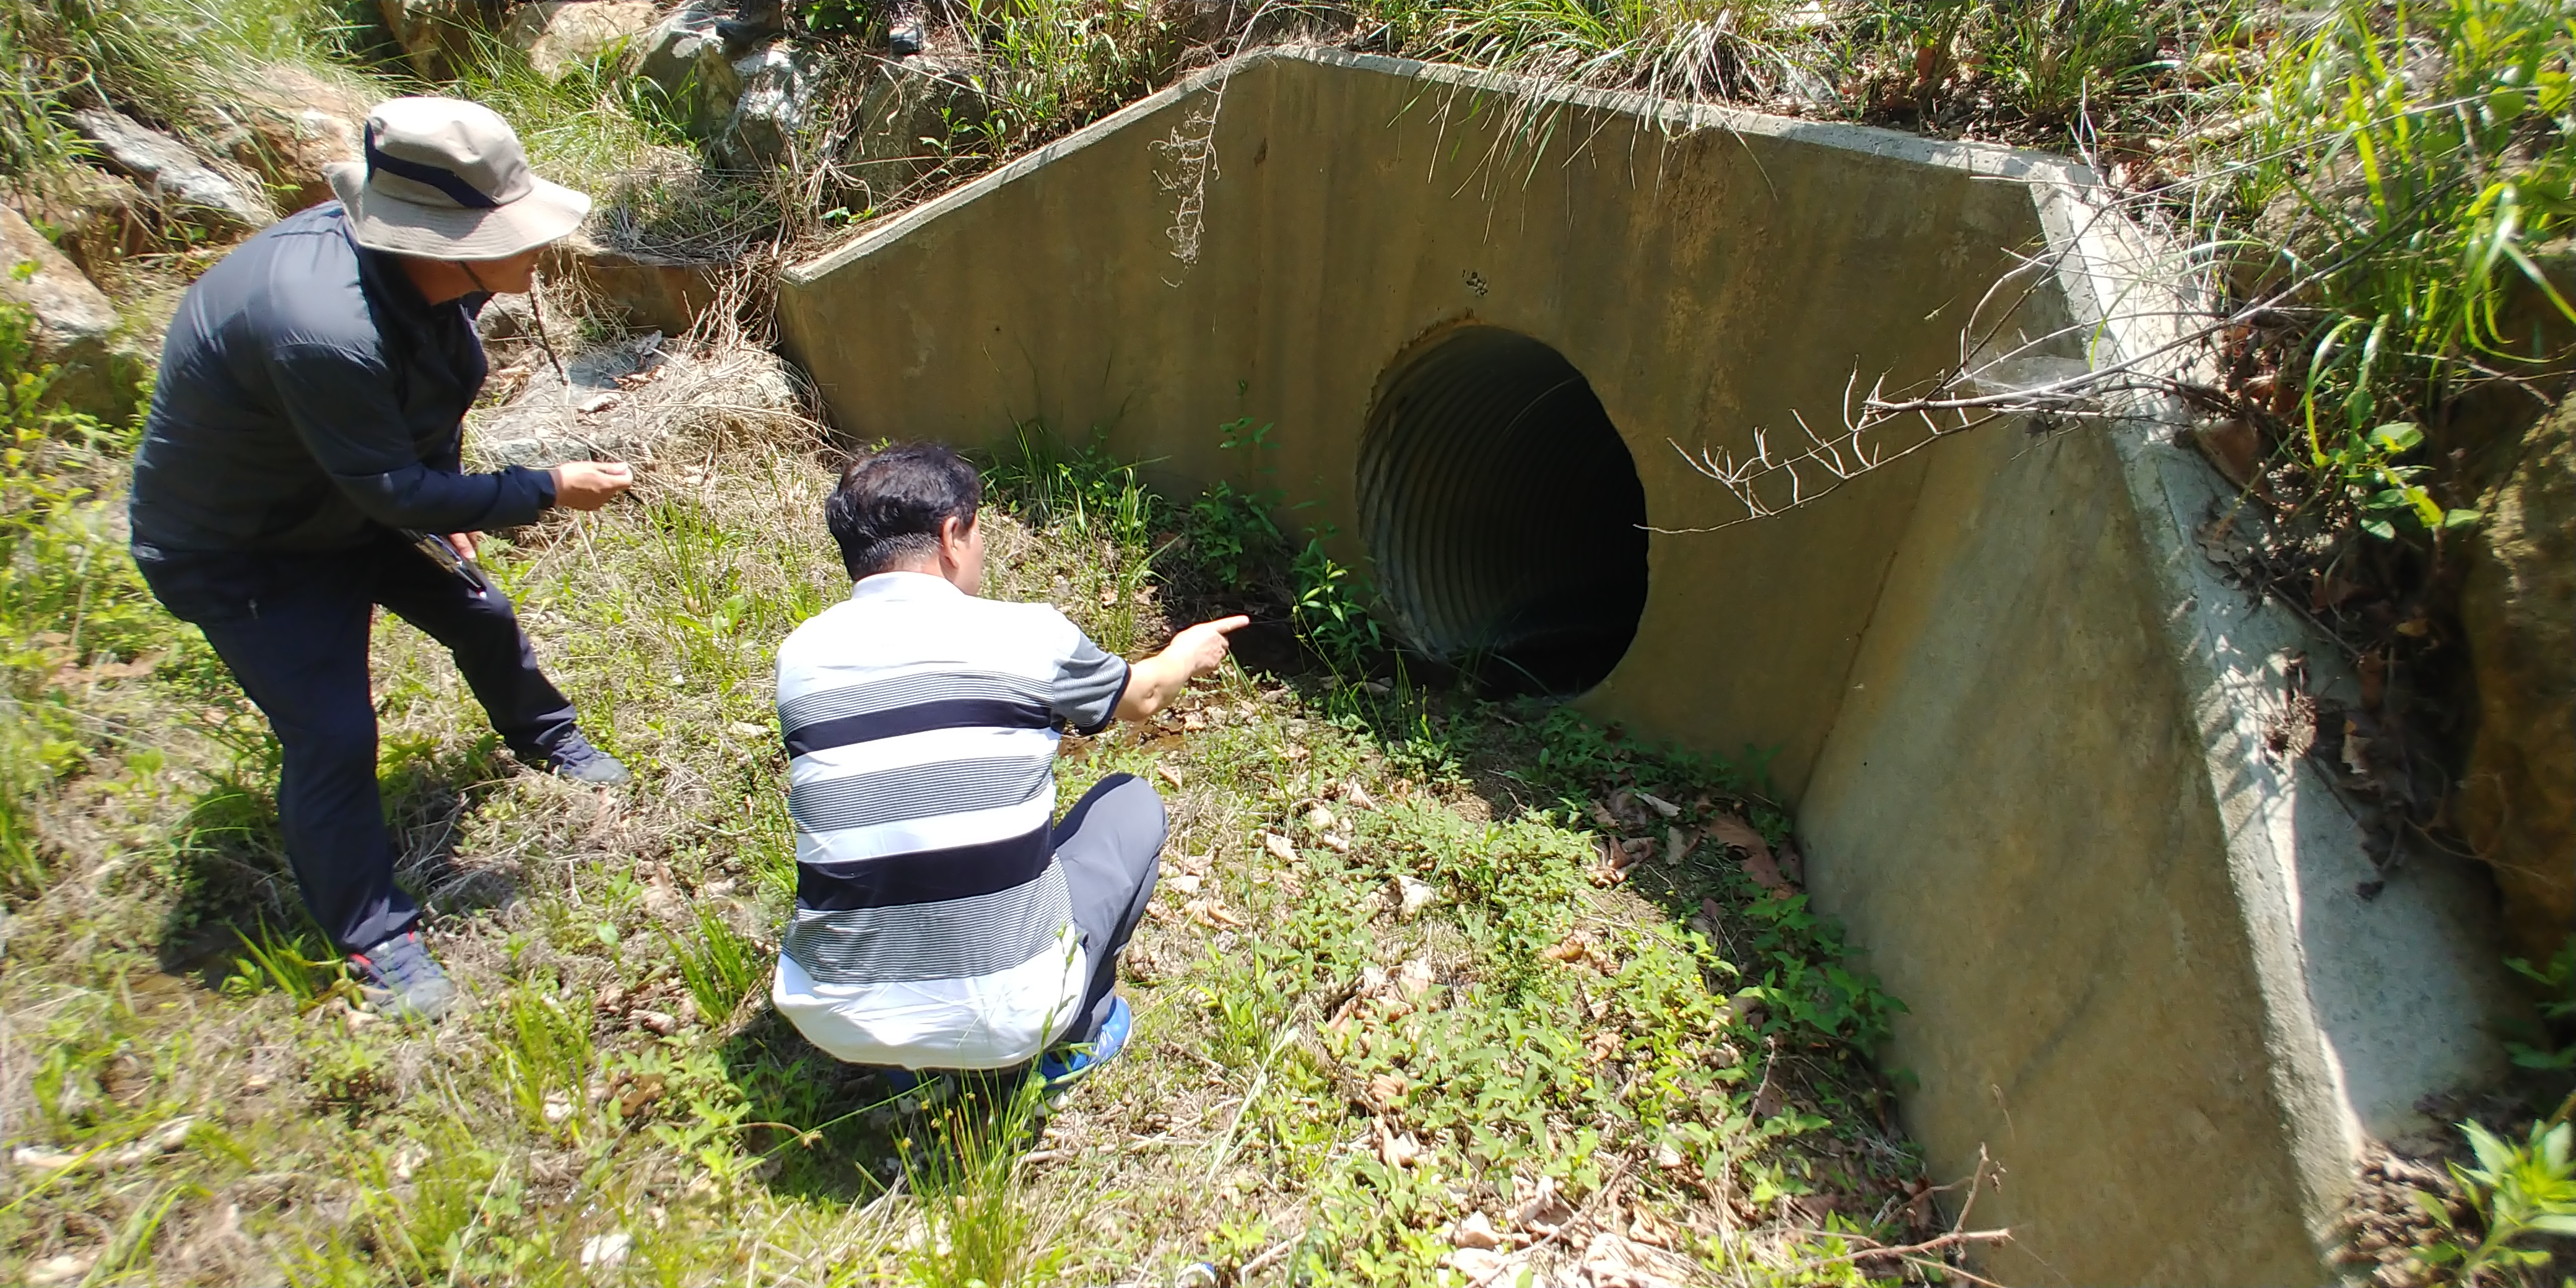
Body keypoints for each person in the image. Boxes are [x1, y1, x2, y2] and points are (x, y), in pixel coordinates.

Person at [128, 97, 638, 1022]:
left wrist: (448, 485)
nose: (537, 250)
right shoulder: (320, 323)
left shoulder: (435, 274)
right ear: (439, 237)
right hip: (246, 548)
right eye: (511, 232)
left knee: (478, 611)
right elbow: (392, 496)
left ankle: (545, 736)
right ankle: (374, 936)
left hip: (345, 496)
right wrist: (543, 487)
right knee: (333, 735)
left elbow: (426, 407)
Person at [770, 443, 1247, 1087]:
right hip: (1013, 1015)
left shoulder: (801, 656)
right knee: (1129, 804)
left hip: (833, 1017)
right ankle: (1074, 1035)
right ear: (949, 535)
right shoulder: (1028, 635)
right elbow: (1144, 696)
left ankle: (907, 1065)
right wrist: (1187, 651)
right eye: (978, 530)